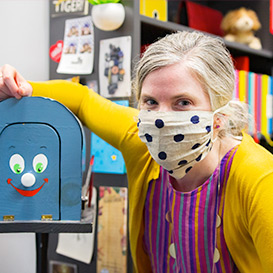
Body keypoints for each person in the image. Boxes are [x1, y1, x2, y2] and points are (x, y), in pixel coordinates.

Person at [1, 31, 273, 273]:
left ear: (220, 116)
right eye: (151, 102)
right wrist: (19, 87)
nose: (160, 119)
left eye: (183, 102)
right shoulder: (140, 141)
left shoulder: (259, 177)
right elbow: (82, 100)